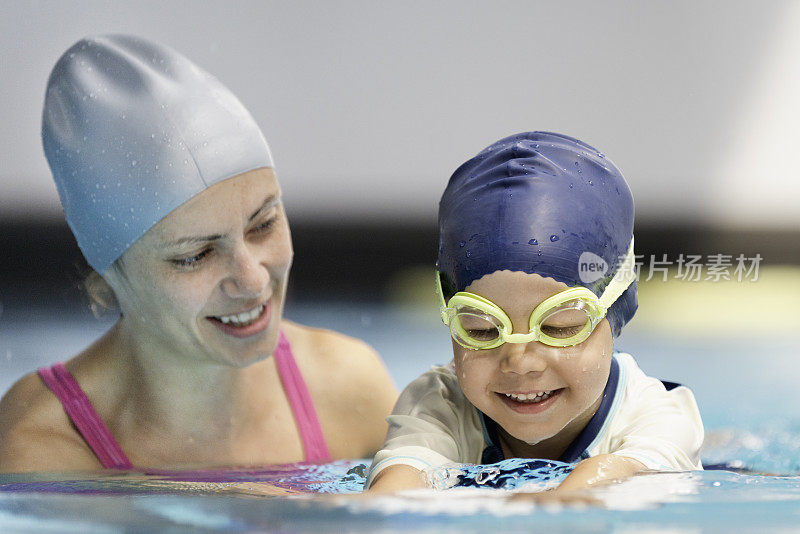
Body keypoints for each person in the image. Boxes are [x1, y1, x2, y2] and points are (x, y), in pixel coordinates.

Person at [0, 35, 397, 472]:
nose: (252, 280)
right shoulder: (41, 450)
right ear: (107, 268)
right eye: (195, 256)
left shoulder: (348, 390)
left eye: (263, 225)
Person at [366, 132, 704, 493]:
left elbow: (631, 473)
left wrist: (563, 498)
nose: (520, 362)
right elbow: (397, 487)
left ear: (616, 309)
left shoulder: (659, 415)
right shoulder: (440, 404)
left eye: (560, 326)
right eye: (482, 329)